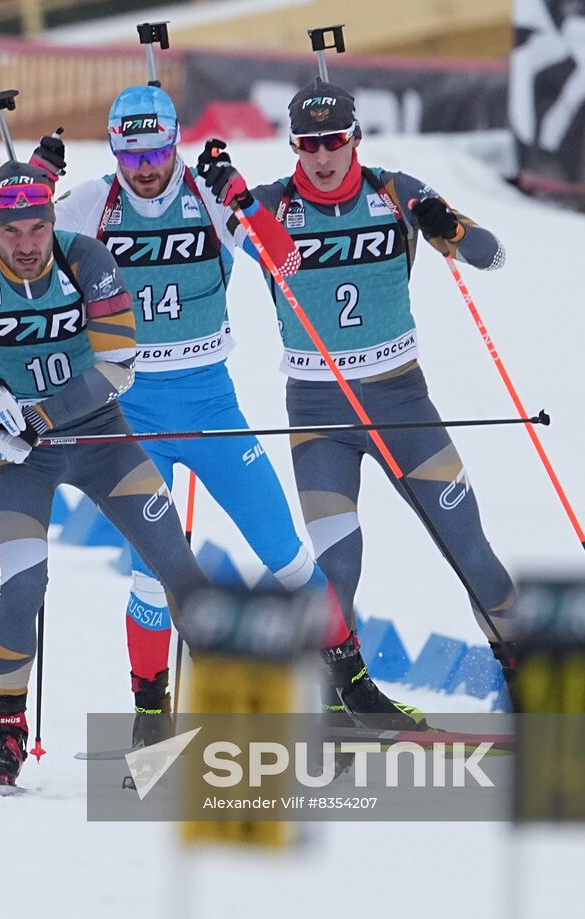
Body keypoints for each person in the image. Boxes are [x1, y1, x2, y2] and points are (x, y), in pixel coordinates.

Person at [34, 85, 423, 737]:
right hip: (132, 419)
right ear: (113, 152)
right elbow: (14, 243)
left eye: (156, 150)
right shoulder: (91, 203)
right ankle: (150, 718)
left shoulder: (207, 195)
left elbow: (287, 259)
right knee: (153, 574)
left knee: (288, 555)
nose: (145, 167)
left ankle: (352, 688)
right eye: (130, 155)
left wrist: (238, 194)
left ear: (174, 142)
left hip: (213, 407)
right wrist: (36, 180)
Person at [0, 159, 212, 788]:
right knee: (23, 582)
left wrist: (37, 414)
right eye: (12, 233)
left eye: (37, 228)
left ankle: (156, 724)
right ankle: (3, 732)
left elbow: (118, 367)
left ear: (53, 221)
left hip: (100, 439)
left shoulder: (87, 259)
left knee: (180, 570)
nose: (26, 245)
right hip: (15, 454)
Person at [218, 80, 517, 699]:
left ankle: (529, 678)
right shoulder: (270, 205)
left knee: (471, 552)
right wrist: (220, 180)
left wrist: (449, 227)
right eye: (308, 145)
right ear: (293, 145)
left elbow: (493, 258)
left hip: (402, 403)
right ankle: (338, 702)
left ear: (355, 138)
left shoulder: (395, 191)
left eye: (333, 142)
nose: (322, 158)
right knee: (337, 569)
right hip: (318, 412)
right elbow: (207, 233)